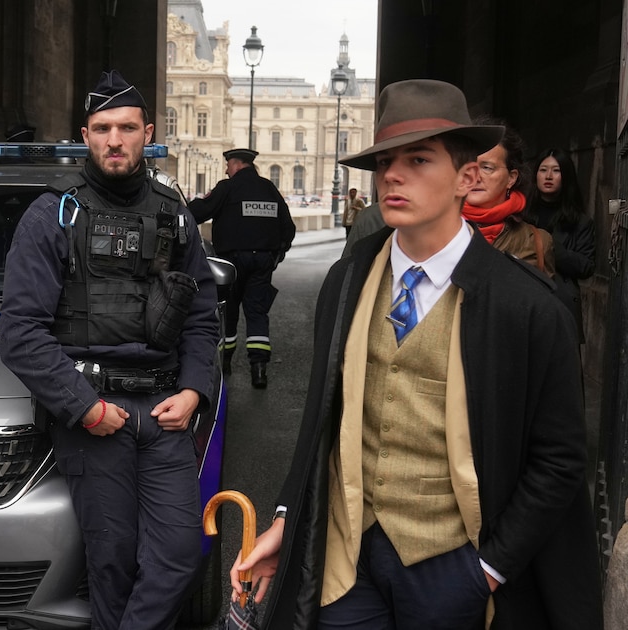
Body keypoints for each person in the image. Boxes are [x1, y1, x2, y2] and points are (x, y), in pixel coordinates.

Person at [232, 79, 603, 629]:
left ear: (467, 177)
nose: (393, 176)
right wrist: (289, 518)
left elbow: (561, 458)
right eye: (385, 161)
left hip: (453, 566)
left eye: (419, 159)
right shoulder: (348, 280)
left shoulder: (527, 306)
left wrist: (490, 568)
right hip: (348, 557)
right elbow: (321, 423)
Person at [0, 70, 219, 629]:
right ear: (85, 135)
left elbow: (201, 312)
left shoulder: (175, 214)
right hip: (96, 418)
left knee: (175, 558)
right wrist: (85, 408)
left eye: (126, 127)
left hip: (165, 413)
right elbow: (21, 331)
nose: (114, 140)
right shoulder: (52, 216)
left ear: (148, 132)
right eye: (102, 129)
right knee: (113, 566)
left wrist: (194, 389)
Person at [189, 147, 295, 388]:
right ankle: (259, 370)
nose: (226, 170)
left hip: (232, 262)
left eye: (228, 165)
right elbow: (288, 228)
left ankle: (224, 365)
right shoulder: (269, 189)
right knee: (257, 312)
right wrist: (277, 254)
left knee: (229, 312)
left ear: (236, 164)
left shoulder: (227, 188)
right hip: (263, 261)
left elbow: (198, 212)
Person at [461, 119, 556, 277]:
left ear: (511, 178)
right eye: (467, 167)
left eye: (486, 167)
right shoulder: (435, 235)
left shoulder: (537, 243)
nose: (475, 177)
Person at [524, 148, 595, 341]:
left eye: (556, 170)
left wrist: (549, 246)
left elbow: (586, 265)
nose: (548, 176)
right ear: (535, 175)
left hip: (560, 302)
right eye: (543, 169)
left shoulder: (579, 221)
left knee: (563, 366)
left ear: (566, 176)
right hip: (523, 299)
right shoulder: (520, 215)